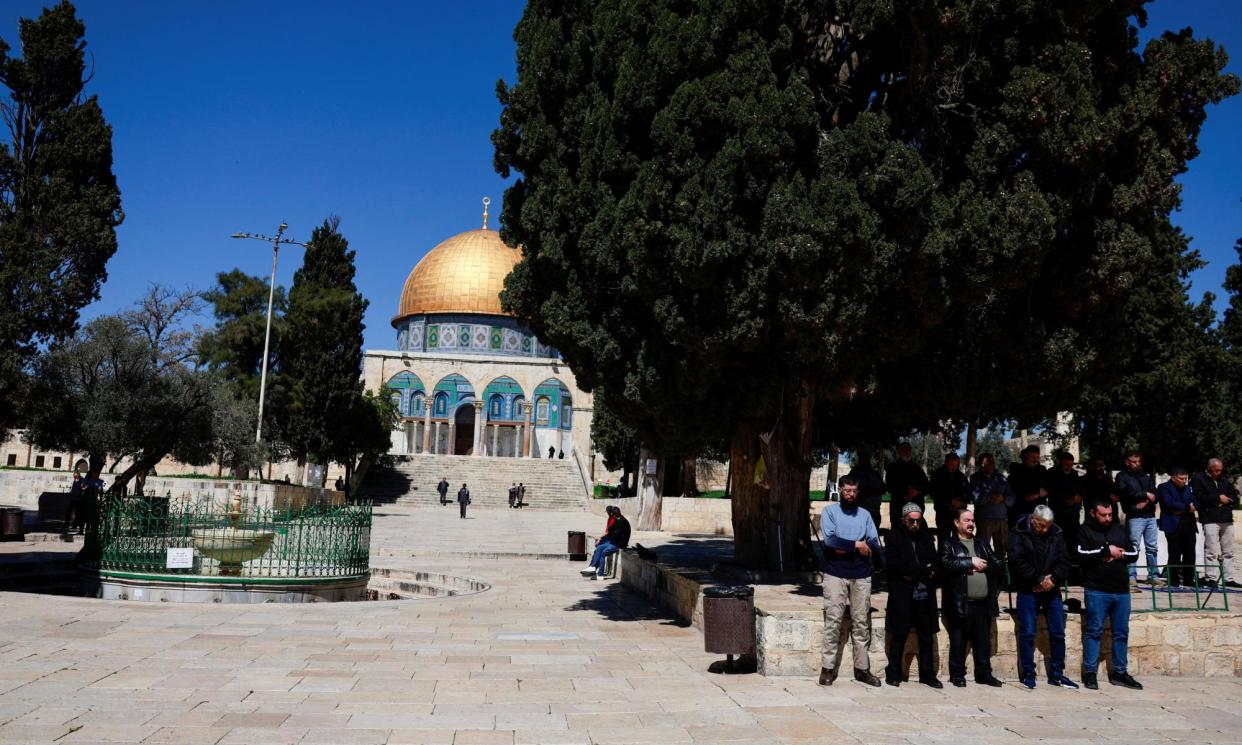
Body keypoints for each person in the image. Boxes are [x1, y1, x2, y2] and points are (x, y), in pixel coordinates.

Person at [817, 474, 882, 687]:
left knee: (861, 622)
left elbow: (873, 542)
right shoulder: (830, 512)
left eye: (854, 491)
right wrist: (856, 545)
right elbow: (831, 541)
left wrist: (868, 549)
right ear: (840, 491)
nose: (851, 495)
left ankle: (862, 669)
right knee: (833, 620)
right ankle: (827, 668)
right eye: (847, 491)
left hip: (861, 574)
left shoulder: (864, 515)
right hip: (835, 572)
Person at [1008, 505, 1076, 689]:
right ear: (1033, 519)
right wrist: (1038, 579)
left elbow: (1065, 560)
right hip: (1028, 589)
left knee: (1057, 633)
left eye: (1047, 525)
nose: (1044, 529)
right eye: (1040, 525)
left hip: (1052, 589)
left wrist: (1052, 579)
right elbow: (1017, 561)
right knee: (1028, 632)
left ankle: (1057, 674)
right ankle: (1028, 673)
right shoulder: (1019, 532)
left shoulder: (1056, 533)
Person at [1076, 501, 1141, 689]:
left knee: (1121, 632)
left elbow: (1134, 552)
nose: (1107, 518)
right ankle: (1090, 673)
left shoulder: (1119, 529)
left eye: (1110, 515)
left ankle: (1120, 672)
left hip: (1121, 591)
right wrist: (1105, 551)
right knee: (1094, 631)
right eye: (1103, 515)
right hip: (1097, 590)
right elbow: (1080, 554)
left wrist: (1118, 553)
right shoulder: (1085, 531)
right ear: (1093, 513)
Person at [939, 508, 1003, 687]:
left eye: (973, 520)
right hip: (960, 603)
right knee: (958, 641)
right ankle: (957, 675)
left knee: (983, 642)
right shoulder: (949, 544)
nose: (971, 524)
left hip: (982, 603)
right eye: (967, 520)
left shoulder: (981, 543)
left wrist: (983, 564)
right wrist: (970, 562)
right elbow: (945, 564)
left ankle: (984, 674)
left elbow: (997, 563)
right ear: (957, 523)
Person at [883, 503, 942, 688]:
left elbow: (935, 563)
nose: (915, 524)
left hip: (924, 595)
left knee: (926, 636)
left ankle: (927, 674)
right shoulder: (894, 538)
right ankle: (893, 672)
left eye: (918, 520)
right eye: (912, 520)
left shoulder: (926, 538)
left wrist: (917, 571)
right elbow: (894, 566)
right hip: (903, 595)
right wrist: (922, 570)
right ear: (904, 520)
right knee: (899, 635)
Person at [1193, 458, 1240, 588]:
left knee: (1228, 550)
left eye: (1220, 470)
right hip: (1210, 519)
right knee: (1211, 550)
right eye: (1216, 470)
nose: (1218, 472)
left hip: (1226, 519)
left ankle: (1228, 578)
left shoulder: (1224, 480)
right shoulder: (1199, 479)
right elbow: (1199, 496)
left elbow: (1234, 497)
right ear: (1209, 469)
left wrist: (1227, 501)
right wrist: (1217, 498)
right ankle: (1211, 578)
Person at [1114, 451, 1159, 585]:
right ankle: (1131, 575)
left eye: (1139, 461)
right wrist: (1143, 494)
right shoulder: (1122, 476)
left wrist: (1147, 500)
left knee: (1152, 547)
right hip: (1134, 516)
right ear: (1127, 462)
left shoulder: (1146, 476)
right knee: (1133, 546)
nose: (1137, 464)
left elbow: (1155, 494)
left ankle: (1153, 575)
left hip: (1150, 515)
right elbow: (1124, 492)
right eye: (1134, 462)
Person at [1157, 468, 1198, 588]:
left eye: (1186, 478)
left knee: (1190, 554)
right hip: (1173, 525)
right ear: (1173, 478)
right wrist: (1187, 508)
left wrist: (1185, 508)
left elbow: (1196, 501)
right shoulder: (1164, 487)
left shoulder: (1187, 488)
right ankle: (1173, 580)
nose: (1184, 481)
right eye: (1181, 479)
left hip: (1189, 524)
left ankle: (1188, 580)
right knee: (1174, 554)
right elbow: (1169, 503)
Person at [969, 453, 1014, 560]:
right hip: (984, 520)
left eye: (993, 461)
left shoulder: (1002, 478)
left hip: (1002, 520)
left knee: (1002, 551)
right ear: (982, 464)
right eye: (989, 462)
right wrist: (990, 497)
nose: (992, 464)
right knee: (982, 550)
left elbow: (1012, 498)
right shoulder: (975, 478)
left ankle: (1001, 573)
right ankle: (984, 574)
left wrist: (1002, 498)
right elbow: (976, 499)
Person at [1045, 451, 1084, 563]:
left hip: (1072, 513)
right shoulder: (1052, 473)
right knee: (1058, 539)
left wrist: (1078, 497)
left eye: (1071, 465)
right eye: (1066, 464)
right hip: (1058, 513)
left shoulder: (1074, 474)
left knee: (1073, 540)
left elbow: (1080, 490)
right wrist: (1064, 499)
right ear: (1060, 463)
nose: (1069, 467)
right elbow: (1050, 490)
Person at [886, 442, 929, 530]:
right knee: (897, 535)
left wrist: (918, 491)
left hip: (916, 508)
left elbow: (927, 487)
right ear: (899, 452)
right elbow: (889, 486)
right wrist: (905, 493)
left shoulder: (917, 469)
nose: (907, 452)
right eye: (904, 450)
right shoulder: (892, 468)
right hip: (898, 509)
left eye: (909, 450)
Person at [929, 453, 970, 545]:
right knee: (944, 541)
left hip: (959, 514)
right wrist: (949, 501)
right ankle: (943, 558)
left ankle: (958, 558)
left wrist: (961, 502)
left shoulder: (961, 477)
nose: (954, 467)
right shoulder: (937, 475)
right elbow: (933, 492)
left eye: (956, 465)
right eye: (951, 465)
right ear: (946, 463)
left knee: (959, 540)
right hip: (943, 513)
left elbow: (968, 493)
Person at [581, 506, 630, 579]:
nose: (613, 517)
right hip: (613, 541)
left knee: (604, 552)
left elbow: (615, 534)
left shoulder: (623, 522)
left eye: (614, 515)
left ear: (616, 514)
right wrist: (601, 538)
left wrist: (610, 534)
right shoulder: (617, 520)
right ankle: (593, 567)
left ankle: (600, 575)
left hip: (620, 544)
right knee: (600, 547)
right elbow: (610, 532)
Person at [1007, 445, 1048, 527]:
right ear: (1026, 456)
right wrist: (1037, 493)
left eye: (1037, 457)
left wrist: (1038, 494)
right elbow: (1018, 492)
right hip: (1021, 513)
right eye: (1033, 457)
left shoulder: (1041, 470)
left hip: (1039, 513)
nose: (1035, 460)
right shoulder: (1017, 472)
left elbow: (1047, 489)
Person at [850, 451, 886, 532]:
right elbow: (849, 487)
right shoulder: (854, 473)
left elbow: (883, 489)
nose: (863, 461)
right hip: (858, 510)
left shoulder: (874, 474)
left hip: (873, 511)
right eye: (861, 459)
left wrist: (873, 490)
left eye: (865, 459)